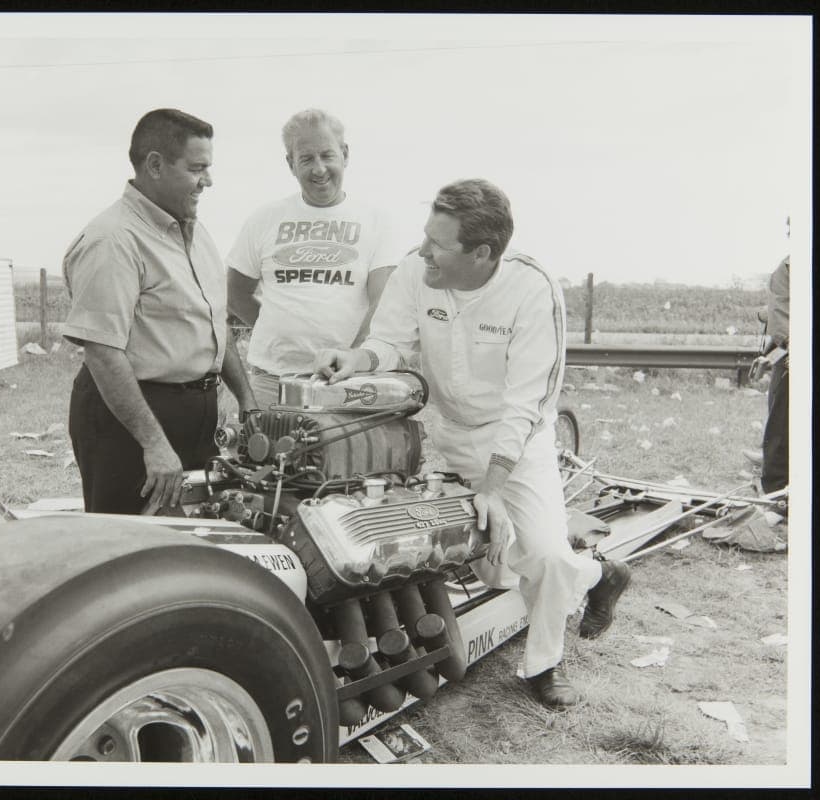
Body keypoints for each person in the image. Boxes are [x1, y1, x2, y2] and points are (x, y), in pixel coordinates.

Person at [313, 179, 631, 708]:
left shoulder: (532, 289)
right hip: (452, 432)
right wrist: (357, 360)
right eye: (424, 236)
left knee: (547, 556)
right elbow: (390, 342)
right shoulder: (416, 271)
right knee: (492, 564)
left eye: (437, 244)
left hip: (517, 440)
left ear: (481, 253)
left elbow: (526, 402)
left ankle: (543, 665)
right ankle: (599, 573)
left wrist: (494, 483)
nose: (421, 251)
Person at [63, 108, 256, 515]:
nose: (208, 180)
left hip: (196, 414)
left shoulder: (194, 229)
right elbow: (102, 352)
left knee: (192, 536)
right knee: (130, 548)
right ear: (155, 164)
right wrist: (153, 443)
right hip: (130, 422)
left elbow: (215, 324)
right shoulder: (113, 240)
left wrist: (247, 399)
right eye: (197, 168)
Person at [226, 108, 404, 407]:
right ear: (290, 164)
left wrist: (351, 357)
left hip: (345, 383)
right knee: (259, 453)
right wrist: (276, 330)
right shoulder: (264, 218)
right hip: (271, 382)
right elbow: (234, 292)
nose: (319, 169)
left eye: (327, 155)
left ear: (345, 154)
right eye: (306, 158)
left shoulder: (376, 221)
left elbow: (382, 303)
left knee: (341, 456)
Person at [760, 255, 789, 495]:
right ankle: (776, 491)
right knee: (781, 418)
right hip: (793, 352)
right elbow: (780, 317)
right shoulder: (787, 269)